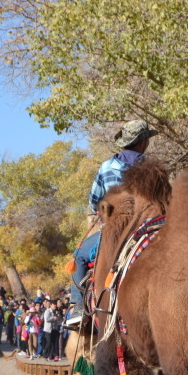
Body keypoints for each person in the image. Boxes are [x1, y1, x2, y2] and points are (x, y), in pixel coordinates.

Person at [68, 119, 159, 319]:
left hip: (115, 230)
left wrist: (107, 212)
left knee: (79, 256)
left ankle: (78, 309)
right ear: (143, 142)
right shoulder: (151, 168)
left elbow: (95, 202)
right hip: (148, 228)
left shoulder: (106, 167)